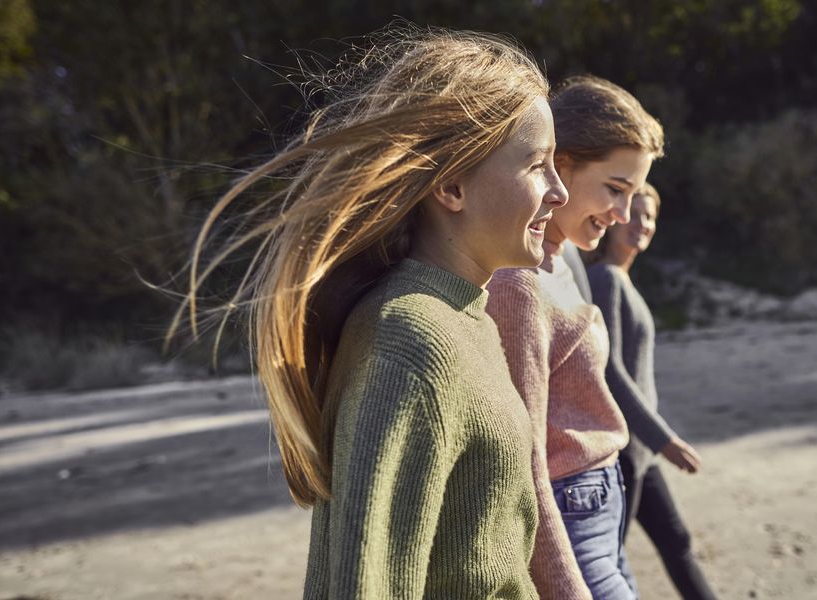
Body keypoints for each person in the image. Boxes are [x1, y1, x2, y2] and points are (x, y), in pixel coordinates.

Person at [171, 27, 569, 598]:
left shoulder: (465, 317)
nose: (559, 192)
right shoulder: (412, 341)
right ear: (451, 185)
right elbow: (366, 582)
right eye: (537, 165)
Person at [486, 75, 663, 600]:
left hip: (604, 501)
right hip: (570, 511)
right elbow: (524, 454)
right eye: (615, 189)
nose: (624, 215)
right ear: (558, 165)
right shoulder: (519, 277)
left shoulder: (565, 260)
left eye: (632, 194)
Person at [587, 183, 717, 600]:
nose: (642, 224)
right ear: (614, 219)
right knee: (606, 562)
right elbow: (611, 371)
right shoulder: (605, 279)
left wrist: (656, 444)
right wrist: (665, 440)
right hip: (625, 450)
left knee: (676, 541)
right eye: (634, 214)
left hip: (641, 452)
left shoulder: (621, 279)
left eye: (650, 217)